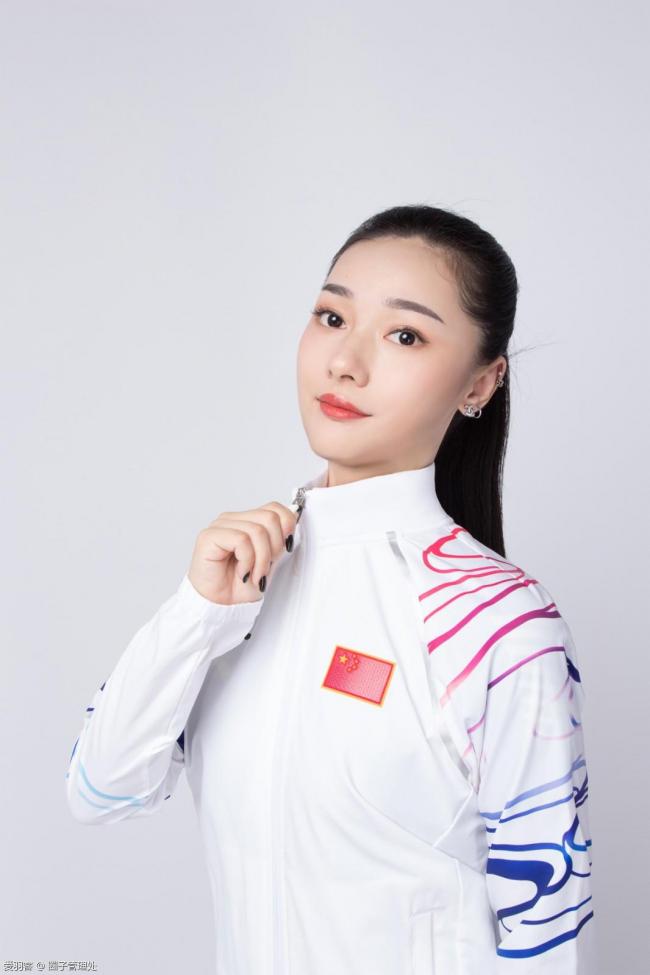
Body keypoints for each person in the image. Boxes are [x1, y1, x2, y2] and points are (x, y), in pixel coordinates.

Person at [65, 204, 595, 974]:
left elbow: (547, 931)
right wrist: (197, 614)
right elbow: (101, 789)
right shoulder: (243, 581)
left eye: (405, 335)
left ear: (481, 381)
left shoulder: (502, 622)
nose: (345, 361)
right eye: (332, 316)